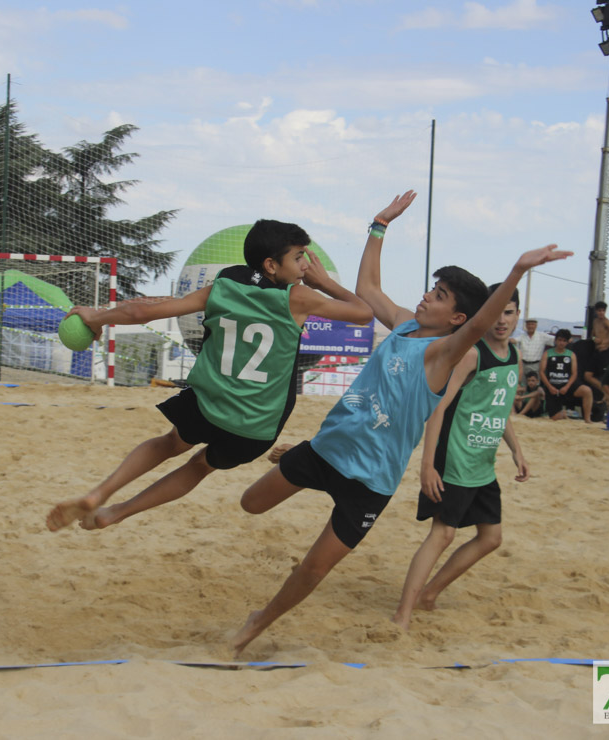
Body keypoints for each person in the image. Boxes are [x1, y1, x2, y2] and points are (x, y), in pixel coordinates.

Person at [229, 189, 571, 657]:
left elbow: (479, 324)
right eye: (432, 289)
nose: (427, 295)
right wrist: (379, 225)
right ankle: (295, 457)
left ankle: (258, 622)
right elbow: (369, 290)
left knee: (312, 569)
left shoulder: (445, 353)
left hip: (369, 482)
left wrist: (516, 272)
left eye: (439, 294)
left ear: (456, 316)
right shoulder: (408, 325)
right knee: (250, 504)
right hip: (326, 450)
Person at [44, 218, 373, 532]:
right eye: (299, 257)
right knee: (199, 467)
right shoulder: (299, 298)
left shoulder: (224, 288)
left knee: (170, 442)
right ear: (271, 265)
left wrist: (97, 317)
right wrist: (325, 283)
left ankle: (100, 494)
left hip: (209, 403)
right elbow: (363, 313)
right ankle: (116, 513)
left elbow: (141, 311)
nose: (306, 265)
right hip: (257, 424)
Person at [392, 285, 528, 632]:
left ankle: (430, 593)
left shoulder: (514, 354)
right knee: (443, 534)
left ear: (517, 315)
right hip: (454, 458)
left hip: (482, 463)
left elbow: (499, 407)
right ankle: (402, 615)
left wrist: (516, 450)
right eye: (496, 312)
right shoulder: (471, 354)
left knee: (491, 537)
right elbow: (438, 405)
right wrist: (427, 464)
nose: (502, 320)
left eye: (509, 312)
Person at [540, 329, 593, 422]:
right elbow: (541, 372)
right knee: (554, 418)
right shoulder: (547, 353)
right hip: (553, 386)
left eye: (564, 341)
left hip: (567, 385)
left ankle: (587, 420)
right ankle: (565, 413)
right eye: (560, 340)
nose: (561, 343)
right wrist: (549, 387)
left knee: (587, 391)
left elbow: (574, 373)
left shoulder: (571, 355)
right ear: (555, 340)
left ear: (567, 342)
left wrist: (567, 386)